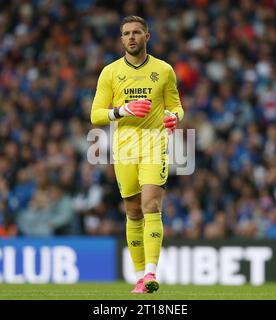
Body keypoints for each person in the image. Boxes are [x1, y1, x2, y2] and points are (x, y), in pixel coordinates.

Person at [90, 15, 184, 293]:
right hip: (124, 148)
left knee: (151, 205)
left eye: (136, 32)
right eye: (126, 33)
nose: (131, 37)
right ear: (121, 39)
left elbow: (177, 106)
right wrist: (122, 111)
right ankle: (140, 275)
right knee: (132, 212)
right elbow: (95, 114)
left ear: (147, 36)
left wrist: (174, 117)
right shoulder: (110, 72)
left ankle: (152, 273)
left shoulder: (164, 70)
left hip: (154, 144)